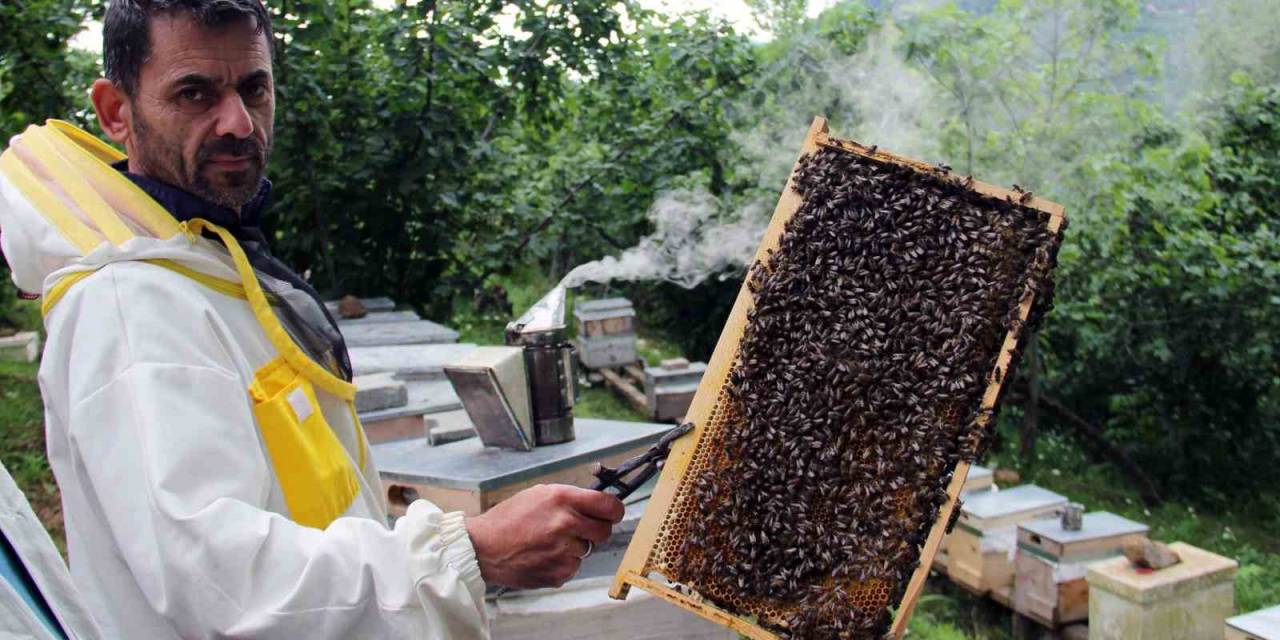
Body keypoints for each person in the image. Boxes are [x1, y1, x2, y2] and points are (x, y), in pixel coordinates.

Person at [0, 0, 624, 637]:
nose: (239, 123)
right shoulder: (128, 307)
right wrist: (470, 551)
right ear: (116, 111)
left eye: (254, 87)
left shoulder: (203, 259)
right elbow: (222, 587)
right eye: (194, 93)